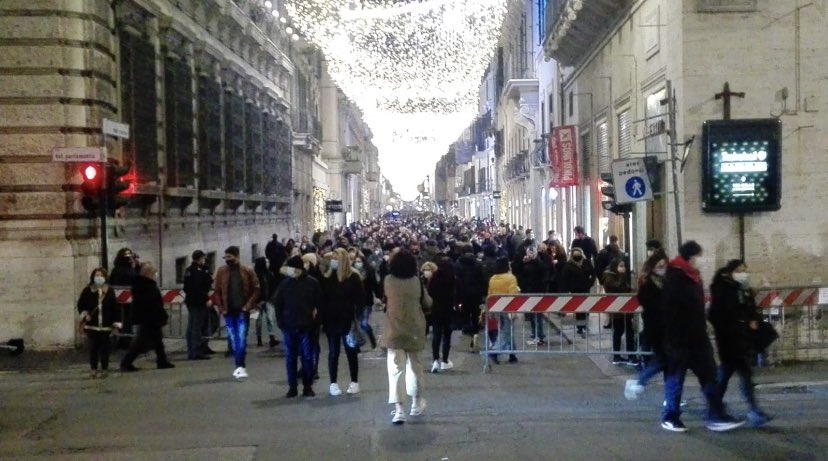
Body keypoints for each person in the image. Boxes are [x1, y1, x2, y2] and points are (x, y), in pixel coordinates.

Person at [660, 241, 744, 432]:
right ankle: (670, 417)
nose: (701, 260)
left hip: (698, 337)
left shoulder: (693, 277)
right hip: (680, 340)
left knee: (710, 376)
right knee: (676, 379)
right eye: (698, 256)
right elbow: (671, 311)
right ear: (691, 257)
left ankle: (716, 415)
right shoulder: (676, 277)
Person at [709, 259, 771, 427]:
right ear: (732, 271)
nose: (744, 274)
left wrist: (751, 318)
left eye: (745, 270)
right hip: (730, 340)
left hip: (739, 340)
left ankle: (716, 408)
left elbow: (748, 309)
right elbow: (716, 314)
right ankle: (749, 410)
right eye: (741, 270)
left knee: (730, 374)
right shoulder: (723, 289)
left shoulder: (741, 289)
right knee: (739, 374)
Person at [383, 250, 430, 425]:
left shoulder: (388, 281)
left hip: (394, 331)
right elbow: (427, 302)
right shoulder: (416, 282)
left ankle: (399, 410)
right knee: (415, 368)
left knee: (396, 370)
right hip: (415, 330)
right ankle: (416, 404)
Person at [272, 256, 323, 398]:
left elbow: (320, 304)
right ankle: (292, 387)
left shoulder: (312, 283)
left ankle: (307, 386)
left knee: (307, 357)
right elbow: (278, 303)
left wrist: (316, 322)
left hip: (307, 326)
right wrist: (281, 322)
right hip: (289, 326)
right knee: (291, 358)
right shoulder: (285, 284)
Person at [319, 248, 363, 396]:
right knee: (333, 352)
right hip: (331, 321)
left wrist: (357, 317)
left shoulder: (353, 278)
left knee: (351, 352)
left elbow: (360, 299)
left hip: (348, 321)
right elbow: (322, 297)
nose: (334, 261)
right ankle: (333, 383)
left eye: (336, 258)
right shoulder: (328, 278)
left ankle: (354, 381)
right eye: (333, 258)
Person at [625, 253, 670, 400]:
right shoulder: (647, 284)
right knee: (664, 361)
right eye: (659, 266)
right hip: (656, 328)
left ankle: (671, 395)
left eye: (664, 266)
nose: (662, 269)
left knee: (668, 362)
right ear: (653, 267)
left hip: (668, 328)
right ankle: (640, 381)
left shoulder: (668, 282)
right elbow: (648, 304)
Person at [213, 246, 261, 380]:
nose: (227, 260)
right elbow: (217, 291)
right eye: (225, 257)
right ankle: (239, 364)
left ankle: (239, 365)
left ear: (237, 256)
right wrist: (222, 308)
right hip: (228, 311)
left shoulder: (247, 271)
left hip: (242, 310)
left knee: (241, 338)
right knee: (234, 339)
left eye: (230, 257)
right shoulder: (222, 272)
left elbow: (256, 289)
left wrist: (248, 306)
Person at [120, 262, 174, 371]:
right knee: (140, 343)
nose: (156, 275)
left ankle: (161, 360)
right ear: (149, 274)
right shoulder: (145, 286)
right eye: (154, 273)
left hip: (151, 318)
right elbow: (151, 302)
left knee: (158, 341)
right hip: (148, 319)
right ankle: (126, 362)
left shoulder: (144, 285)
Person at [77, 268, 121, 378]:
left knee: (105, 348)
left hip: (106, 325)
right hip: (92, 325)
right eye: (97, 275)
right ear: (93, 277)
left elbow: (115, 308)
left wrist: (115, 323)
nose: (99, 277)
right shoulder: (88, 290)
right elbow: (81, 304)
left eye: (101, 275)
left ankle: (105, 368)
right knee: (93, 348)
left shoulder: (109, 291)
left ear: (105, 277)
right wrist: (85, 314)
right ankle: (93, 369)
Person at [512, 243, 549, 346]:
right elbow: (516, 272)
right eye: (529, 252)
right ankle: (535, 334)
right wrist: (521, 262)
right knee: (531, 315)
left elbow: (544, 271)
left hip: (537, 291)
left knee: (538, 315)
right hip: (527, 291)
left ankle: (540, 335)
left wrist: (536, 259)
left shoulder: (540, 261)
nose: (530, 254)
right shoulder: (524, 262)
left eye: (532, 252)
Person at [601, 258, 636, 365]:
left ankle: (631, 355)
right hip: (617, 310)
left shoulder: (620, 276)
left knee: (629, 331)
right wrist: (621, 276)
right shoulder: (609, 277)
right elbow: (617, 288)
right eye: (621, 266)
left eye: (624, 266)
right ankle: (617, 356)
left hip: (626, 309)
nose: (623, 268)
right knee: (619, 331)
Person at [454, 245, 487, 350]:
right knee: (475, 313)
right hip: (476, 293)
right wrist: (483, 293)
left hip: (463, 293)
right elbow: (482, 279)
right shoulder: (478, 263)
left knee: (465, 312)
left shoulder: (458, 264)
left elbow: (456, 281)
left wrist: (457, 296)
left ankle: (468, 331)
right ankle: (475, 332)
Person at [487, 257, 519, 364]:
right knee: (507, 331)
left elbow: (490, 294)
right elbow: (513, 295)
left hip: (496, 308)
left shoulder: (492, 278)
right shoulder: (511, 278)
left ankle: (512, 354)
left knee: (505, 329)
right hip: (508, 308)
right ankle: (495, 351)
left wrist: (489, 310)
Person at [427, 257, 455, 373]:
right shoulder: (452, 278)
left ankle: (435, 360)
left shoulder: (434, 278)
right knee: (447, 335)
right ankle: (445, 360)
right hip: (448, 309)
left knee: (436, 334)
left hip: (436, 309)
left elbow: (429, 292)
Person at [183, 250, 213, 361]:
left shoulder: (189, 270)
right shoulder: (197, 271)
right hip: (198, 302)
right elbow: (199, 287)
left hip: (192, 301)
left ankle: (194, 350)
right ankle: (195, 352)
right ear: (200, 259)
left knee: (193, 326)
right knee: (196, 327)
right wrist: (206, 298)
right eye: (203, 259)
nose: (204, 261)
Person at [560, 247, 595, 337]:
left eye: (578, 254)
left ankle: (585, 324)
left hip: (585, 288)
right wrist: (567, 289)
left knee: (586, 308)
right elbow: (564, 278)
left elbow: (593, 273)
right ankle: (580, 327)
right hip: (575, 290)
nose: (577, 256)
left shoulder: (586, 262)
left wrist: (590, 283)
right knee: (579, 309)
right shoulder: (568, 265)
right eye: (575, 254)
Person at [354, 252, 380, 349]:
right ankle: (358, 344)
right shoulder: (352, 273)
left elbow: (374, 285)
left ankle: (372, 339)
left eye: (359, 261)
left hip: (366, 301)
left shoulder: (369, 271)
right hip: (355, 302)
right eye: (356, 261)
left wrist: (378, 297)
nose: (358, 263)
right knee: (357, 323)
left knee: (363, 323)